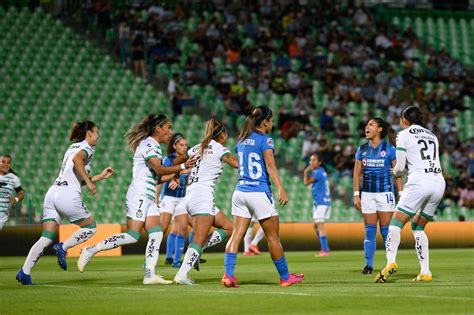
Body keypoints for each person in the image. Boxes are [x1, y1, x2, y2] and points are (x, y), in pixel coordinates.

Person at [77, 114, 195, 285]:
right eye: (168, 127)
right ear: (158, 128)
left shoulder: (154, 146)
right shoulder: (148, 144)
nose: (171, 131)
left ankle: (149, 274)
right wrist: (183, 166)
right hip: (138, 194)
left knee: (156, 233)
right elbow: (159, 169)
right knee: (133, 235)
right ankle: (90, 249)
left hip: (148, 196)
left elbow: (157, 177)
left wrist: (176, 174)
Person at [16, 121, 114, 285]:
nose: (98, 136)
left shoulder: (72, 147)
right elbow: (78, 161)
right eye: (96, 133)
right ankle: (64, 247)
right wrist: (90, 183)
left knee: (46, 237)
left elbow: (76, 176)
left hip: (53, 194)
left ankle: (24, 272)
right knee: (90, 228)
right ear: (89, 134)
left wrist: (99, 177)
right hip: (67, 195)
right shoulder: (86, 149)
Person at [222, 105, 304, 288]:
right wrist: (281, 187)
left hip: (240, 191)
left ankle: (228, 275)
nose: (272, 123)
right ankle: (285, 277)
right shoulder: (266, 140)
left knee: (236, 235)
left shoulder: (241, 139)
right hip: (259, 192)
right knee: (273, 238)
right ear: (265, 121)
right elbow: (270, 166)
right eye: (271, 120)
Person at [375, 106, 445, 283]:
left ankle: (390, 263)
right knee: (418, 228)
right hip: (438, 182)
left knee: (394, 225)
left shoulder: (403, 135)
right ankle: (425, 271)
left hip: (419, 183)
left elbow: (400, 167)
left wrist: (395, 173)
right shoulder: (432, 136)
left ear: (405, 119)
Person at [174, 119, 237, 285]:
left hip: (191, 195)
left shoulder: (196, 147)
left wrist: (177, 173)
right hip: (202, 196)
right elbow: (235, 164)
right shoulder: (218, 148)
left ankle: (198, 251)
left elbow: (174, 162)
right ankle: (181, 275)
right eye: (226, 134)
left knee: (229, 227)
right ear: (222, 135)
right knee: (198, 240)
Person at [353, 117, 403, 275]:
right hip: (367, 194)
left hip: (385, 193)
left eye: (371, 125)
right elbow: (356, 174)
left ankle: (390, 262)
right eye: (366, 125)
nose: (367, 127)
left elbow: (398, 174)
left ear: (380, 129)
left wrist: (401, 193)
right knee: (369, 231)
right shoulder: (362, 149)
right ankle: (368, 265)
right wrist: (356, 194)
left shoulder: (389, 149)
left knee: (386, 230)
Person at [158, 133, 190, 268]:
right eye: (181, 145)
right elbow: (160, 177)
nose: (184, 148)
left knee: (182, 228)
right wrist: (156, 198)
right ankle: (149, 259)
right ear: (174, 146)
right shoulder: (168, 159)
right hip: (169, 197)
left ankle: (176, 261)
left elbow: (188, 179)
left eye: (186, 145)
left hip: (182, 197)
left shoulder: (188, 160)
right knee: (163, 228)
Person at [303, 153, 331, 257]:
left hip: (321, 202)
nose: (311, 162)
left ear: (319, 162)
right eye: (311, 160)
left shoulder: (317, 172)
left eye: (314, 160)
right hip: (323, 202)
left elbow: (306, 183)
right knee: (316, 226)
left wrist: (306, 172)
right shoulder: (322, 171)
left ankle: (325, 250)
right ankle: (324, 247)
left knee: (320, 226)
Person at [0, 155, 25, 230]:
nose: (6, 164)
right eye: (3, 162)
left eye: (8, 162)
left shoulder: (14, 178)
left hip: (2, 218)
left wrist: (16, 199)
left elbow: (21, 193)